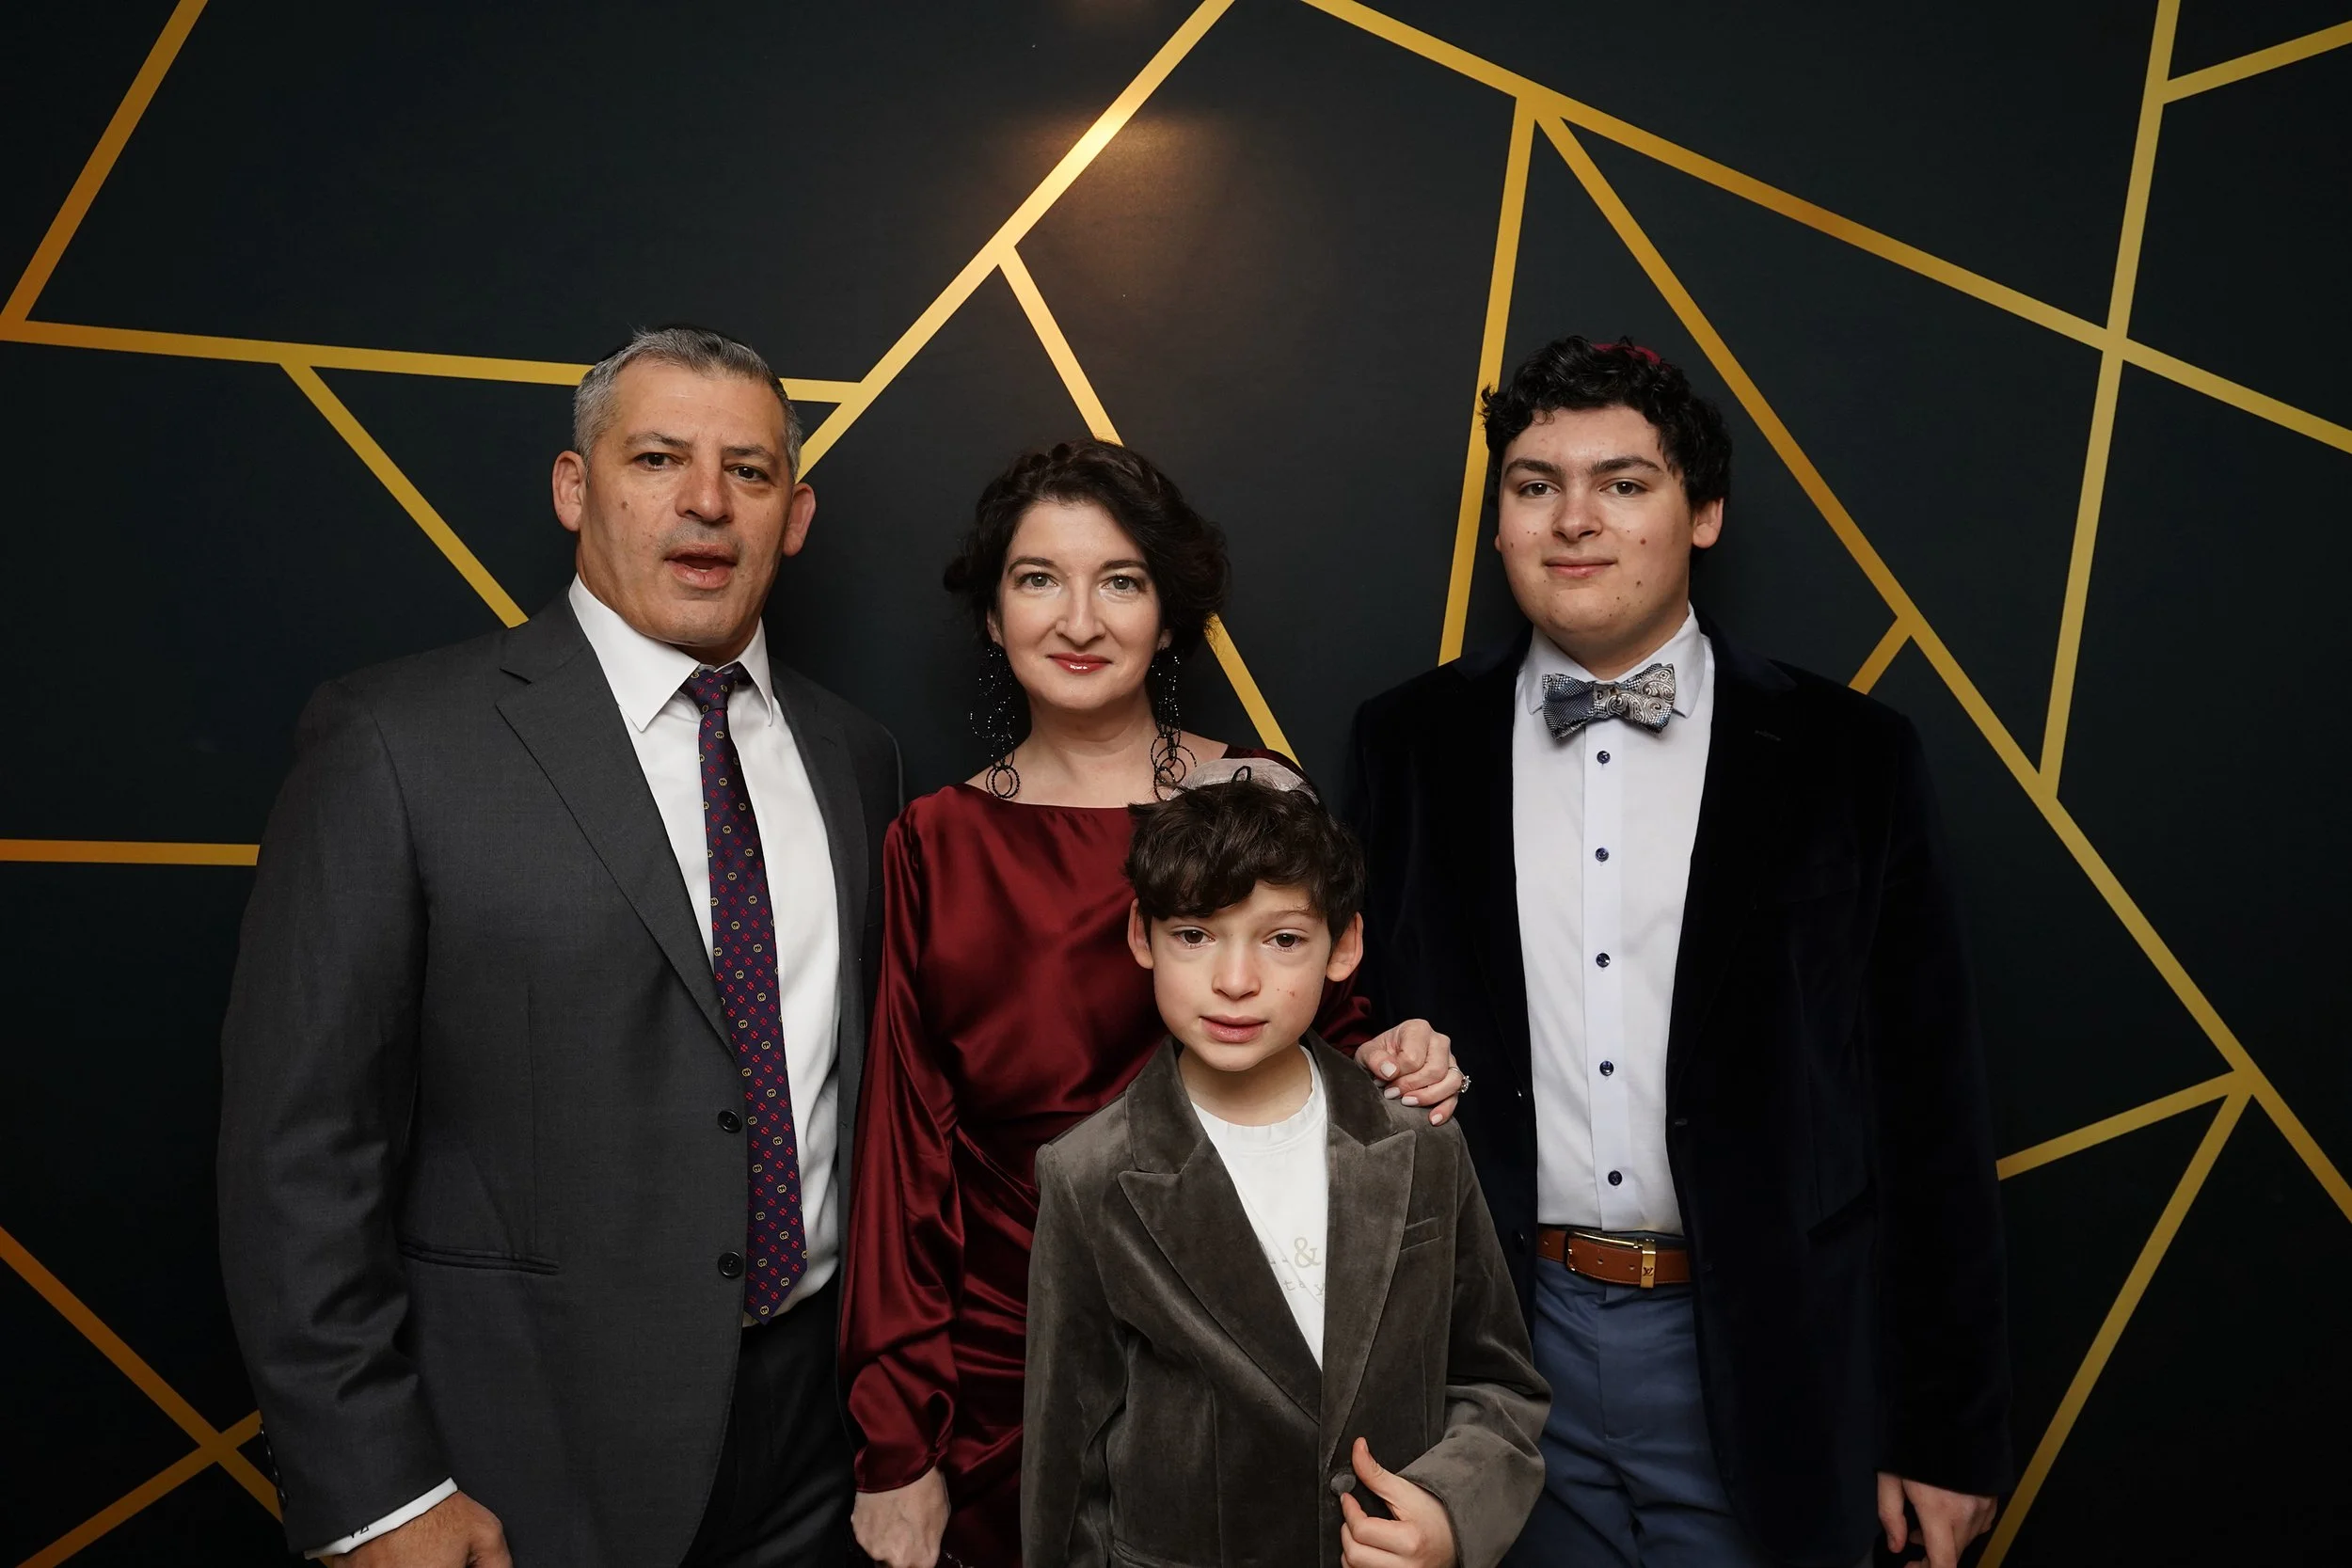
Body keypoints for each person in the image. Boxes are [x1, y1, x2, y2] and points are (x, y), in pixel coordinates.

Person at [217, 325, 898, 1566]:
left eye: (748, 470)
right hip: (521, 1459)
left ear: (793, 515)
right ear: (574, 487)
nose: (705, 499)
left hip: (817, 1450)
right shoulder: (396, 741)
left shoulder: (857, 756)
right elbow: (300, 1150)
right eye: (656, 457)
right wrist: (376, 1489)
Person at [1346, 337, 2009, 1568]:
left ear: (1704, 512)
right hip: (1492, 1353)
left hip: (1770, 1350)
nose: (1574, 519)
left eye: (1625, 482)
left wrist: (1947, 1426)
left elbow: (1932, 1106)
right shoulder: (1405, 744)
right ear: (1499, 524)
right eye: (1535, 484)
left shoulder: (1852, 757)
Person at [842, 439, 1464, 1568]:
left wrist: (1398, 1052)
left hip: (1236, 1337)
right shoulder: (934, 840)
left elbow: (1327, 1044)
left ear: (1169, 616)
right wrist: (898, 1442)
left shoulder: (1259, 794)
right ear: (992, 614)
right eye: (1038, 578)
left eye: (1120, 580)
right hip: (1005, 1362)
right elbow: (902, 1146)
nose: (1078, 617)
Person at [1022, 770, 1548, 1568]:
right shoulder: (1089, 1175)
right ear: (1143, 936)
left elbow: (1498, 1384)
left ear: (1345, 948)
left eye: (1284, 939)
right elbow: (1067, 1470)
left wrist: (1449, 1514)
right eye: (1195, 934)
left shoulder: (1417, 1138)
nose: (1236, 981)